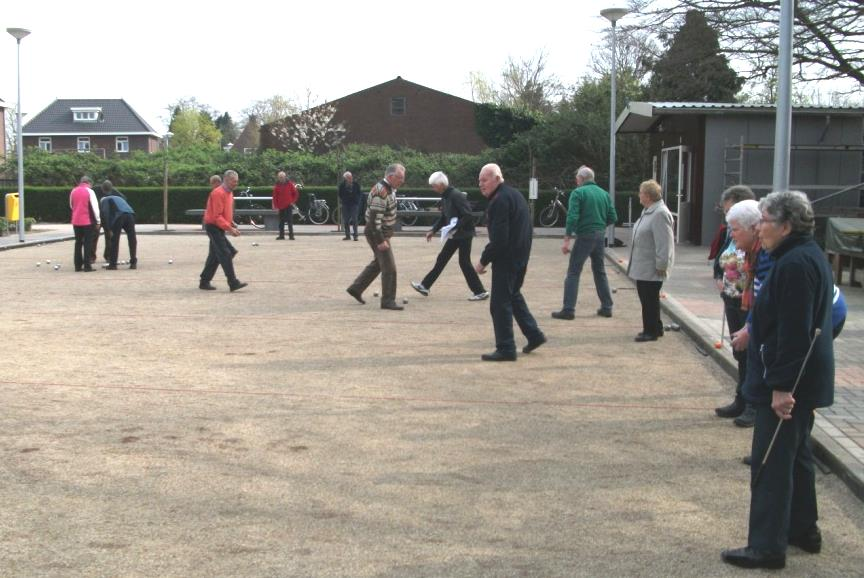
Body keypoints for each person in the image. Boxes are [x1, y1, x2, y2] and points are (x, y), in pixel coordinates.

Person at [722, 191, 835, 570]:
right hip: (803, 377)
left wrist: (781, 388)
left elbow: (793, 333)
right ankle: (803, 529)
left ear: (785, 226)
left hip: (792, 380)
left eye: (765, 221)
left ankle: (767, 546)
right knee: (797, 455)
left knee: (770, 463)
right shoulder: (802, 255)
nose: (760, 228)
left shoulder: (794, 263)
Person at [474, 163, 545, 361]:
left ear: (497, 178)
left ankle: (506, 348)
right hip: (520, 257)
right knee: (513, 296)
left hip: (507, 259)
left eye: (485, 180)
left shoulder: (500, 201)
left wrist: (482, 261)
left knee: (499, 304)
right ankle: (534, 334)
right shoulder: (514, 195)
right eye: (479, 180)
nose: (481, 184)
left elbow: (499, 240)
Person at [712, 186, 758, 426]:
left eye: (729, 210)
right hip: (731, 297)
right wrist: (718, 276)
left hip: (747, 301)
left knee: (751, 354)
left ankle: (752, 404)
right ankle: (741, 398)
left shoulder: (754, 236)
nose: (727, 218)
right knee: (739, 353)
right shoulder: (732, 231)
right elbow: (721, 256)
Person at [552, 166, 617, 320]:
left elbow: (572, 217)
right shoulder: (604, 194)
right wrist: (600, 226)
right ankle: (607, 307)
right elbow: (613, 217)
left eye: (577, 179)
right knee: (599, 270)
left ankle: (568, 309)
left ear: (580, 179)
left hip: (585, 235)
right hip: (600, 235)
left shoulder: (578, 193)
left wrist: (567, 238)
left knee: (573, 272)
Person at [411, 171, 488, 301]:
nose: (433, 189)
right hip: (455, 234)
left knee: (464, 262)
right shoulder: (445, 196)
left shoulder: (456, 195)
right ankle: (425, 285)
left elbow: (468, 215)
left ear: (441, 184)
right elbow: (444, 217)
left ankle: (480, 291)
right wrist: (433, 230)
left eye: (434, 186)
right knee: (442, 259)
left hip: (464, 234)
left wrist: (455, 226)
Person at [346, 163, 405, 310]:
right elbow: (373, 220)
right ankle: (387, 301)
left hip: (379, 231)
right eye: (400, 178)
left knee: (379, 263)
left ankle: (356, 288)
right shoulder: (381, 192)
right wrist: (380, 241)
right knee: (389, 267)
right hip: (376, 232)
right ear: (390, 176)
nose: (402, 181)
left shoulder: (389, 189)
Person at [626, 179, 674, 342]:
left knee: (649, 299)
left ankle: (650, 331)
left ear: (647, 195)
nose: (639, 196)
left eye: (641, 193)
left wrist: (662, 264)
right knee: (647, 298)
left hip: (652, 266)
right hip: (644, 265)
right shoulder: (650, 210)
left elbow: (664, 242)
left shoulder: (659, 213)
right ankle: (656, 327)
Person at [199, 170, 247, 292]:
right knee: (226, 253)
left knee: (217, 254)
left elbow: (225, 212)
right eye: (234, 181)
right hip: (213, 226)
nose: (236, 183)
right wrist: (230, 228)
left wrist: (231, 223)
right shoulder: (218, 193)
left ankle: (204, 281)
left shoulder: (229, 193)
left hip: (219, 226)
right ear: (226, 180)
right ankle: (233, 282)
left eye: (237, 181)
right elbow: (216, 216)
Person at [99, 180, 137, 270]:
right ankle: (133, 263)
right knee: (132, 239)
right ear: (111, 189)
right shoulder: (119, 198)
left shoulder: (104, 200)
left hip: (119, 217)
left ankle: (113, 264)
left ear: (102, 190)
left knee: (114, 240)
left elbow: (106, 214)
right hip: (130, 215)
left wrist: (109, 229)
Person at [69, 176, 100, 273]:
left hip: (76, 221)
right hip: (87, 221)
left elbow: (71, 205)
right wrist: (98, 221)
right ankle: (87, 266)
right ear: (89, 183)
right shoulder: (90, 192)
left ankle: (77, 266)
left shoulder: (73, 191)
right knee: (88, 243)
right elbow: (95, 207)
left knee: (78, 242)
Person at [272, 171, 298, 240]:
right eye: (280, 177)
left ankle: (291, 235)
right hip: (280, 206)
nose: (281, 179)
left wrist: (292, 201)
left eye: (282, 177)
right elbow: (275, 197)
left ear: (285, 177)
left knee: (290, 221)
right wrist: (275, 206)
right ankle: (281, 235)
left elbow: (295, 193)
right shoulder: (277, 186)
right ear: (278, 178)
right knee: (281, 222)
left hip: (288, 205)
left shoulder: (290, 184)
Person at [338, 171, 362, 241]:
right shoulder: (342, 185)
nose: (350, 178)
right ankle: (347, 235)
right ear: (345, 178)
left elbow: (359, 193)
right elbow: (340, 194)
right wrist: (343, 200)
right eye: (348, 177)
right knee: (346, 221)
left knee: (354, 220)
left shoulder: (356, 184)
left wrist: (357, 201)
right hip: (345, 204)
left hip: (354, 204)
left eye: (351, 177)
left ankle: (355, 235)